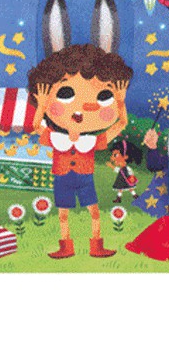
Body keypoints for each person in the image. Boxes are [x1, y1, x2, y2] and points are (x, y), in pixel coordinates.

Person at [29, 44, 132, 259]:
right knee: (63, 215)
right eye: (66, 94)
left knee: (94, 212)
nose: (84, 107)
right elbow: (36, 126)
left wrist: (120, 101)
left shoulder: (91, 140)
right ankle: (66, 246)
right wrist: (41, 105)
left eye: (103, 96)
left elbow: (121, 124)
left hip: (85, 179)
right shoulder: (56, 138)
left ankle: (96, 246)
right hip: (62, 178)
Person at [107, 138, 143, 203]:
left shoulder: (126, 168)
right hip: (121, 180)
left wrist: (131, 176)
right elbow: (118, 170)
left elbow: (129, 171)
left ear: (125, 156)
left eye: (115, 155)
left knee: (130, 188)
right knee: (121, 189)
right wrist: (112, 166)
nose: (112, 158)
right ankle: (119, 198)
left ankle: (135, 196)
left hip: (127, 179)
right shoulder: (121, 168)